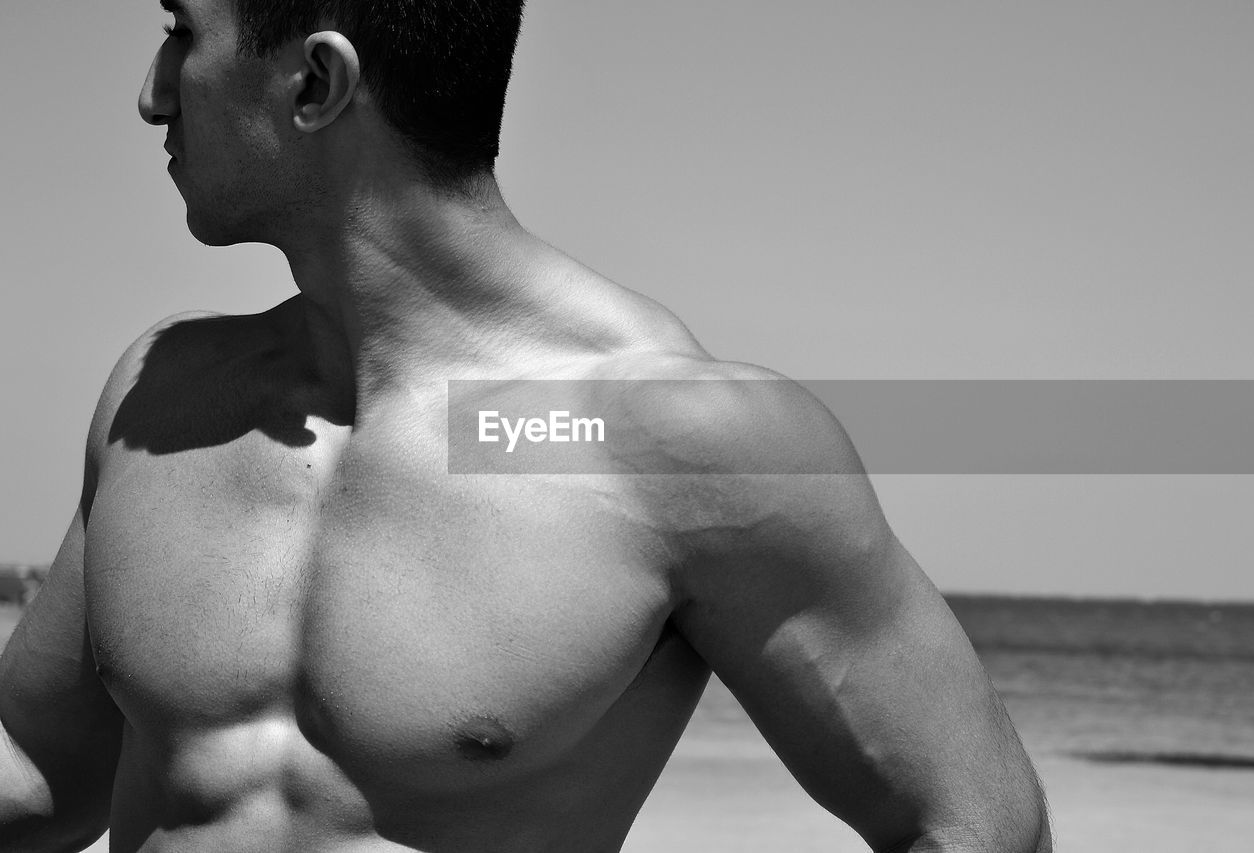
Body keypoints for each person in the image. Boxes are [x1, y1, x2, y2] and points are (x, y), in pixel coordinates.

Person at [0, 1, 1050, 850]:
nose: (150, 94)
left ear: (316, 84)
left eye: (181, 33)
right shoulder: (164, 397)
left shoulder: (670, 441)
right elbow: (42, 777)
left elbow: (969, 825)